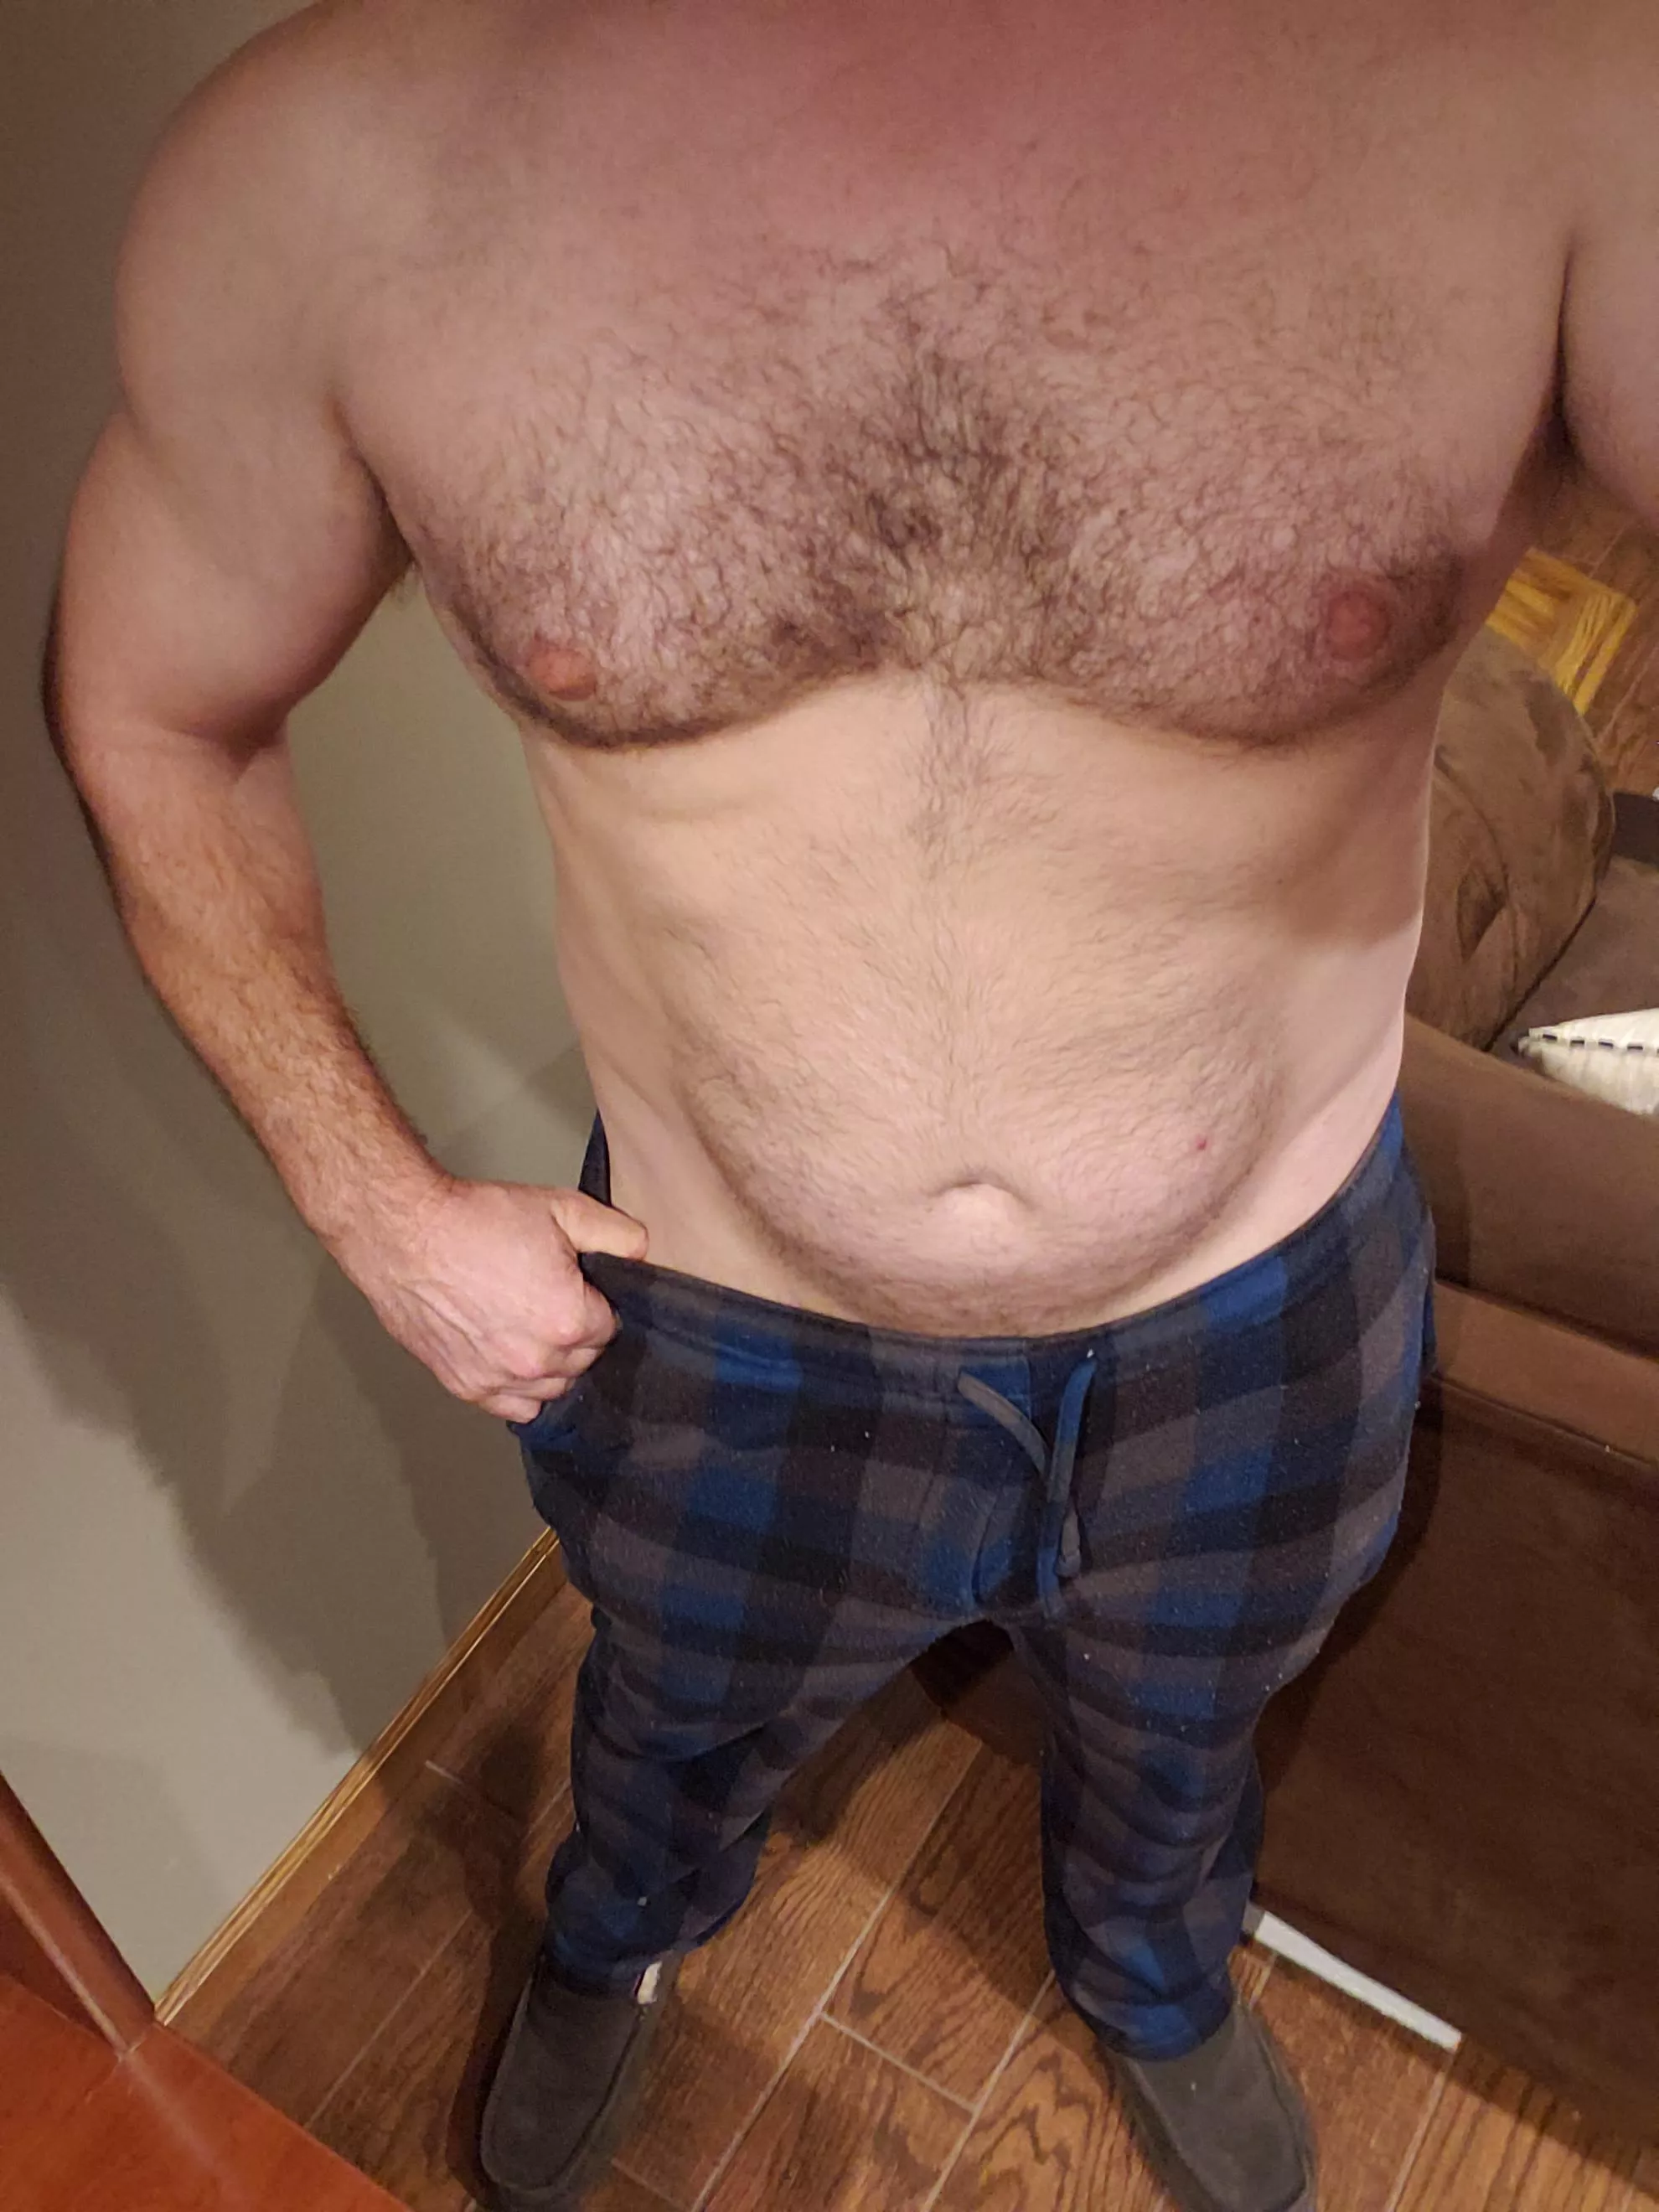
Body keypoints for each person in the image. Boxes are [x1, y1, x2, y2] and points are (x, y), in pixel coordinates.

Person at [49, 2, 1657, 2207]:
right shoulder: (340, 169)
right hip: (729, 1321)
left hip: (1261, 1312)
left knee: (1183, 1731)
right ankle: (618, 1933)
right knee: (671, 1719)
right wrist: (378, 1206)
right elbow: (157, 711)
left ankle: (1149, 1968)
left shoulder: (1539, 101)